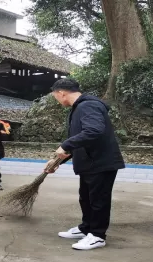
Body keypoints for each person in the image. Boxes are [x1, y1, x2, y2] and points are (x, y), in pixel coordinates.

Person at [45, 78, 125, 251]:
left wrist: (65, 145)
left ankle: (97, 236)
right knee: (86, 199)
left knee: (98, 200)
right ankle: (86, 228)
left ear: (61, 93)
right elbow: (83, 140)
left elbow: (94, 131)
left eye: (55, 97)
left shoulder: (87, 106)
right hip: (90, 163)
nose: (57, 100)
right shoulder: (79, 108)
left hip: (101, 162)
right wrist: (59, 160)